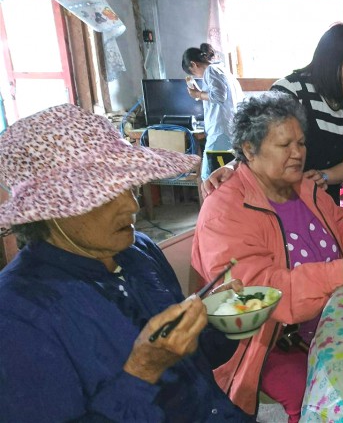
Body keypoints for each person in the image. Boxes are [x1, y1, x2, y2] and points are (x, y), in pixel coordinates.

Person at [0, 104, 249, 421]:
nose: (131, 205)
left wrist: (220, 321)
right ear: (49, 212)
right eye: (104, 195)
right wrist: (142, 370)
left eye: (129, 185)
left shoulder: (138, 250)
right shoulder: (16, 314)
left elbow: (194, 364)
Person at [191, 91, 343, 419]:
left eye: (301, 143)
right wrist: (339, 273)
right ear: (249, 150)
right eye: (284, 145)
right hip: (268, 343)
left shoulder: (304, 188)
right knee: (324, 395)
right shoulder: (225, 209)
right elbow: (255, 295)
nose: (297, 154)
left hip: (330, 321)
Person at [204, 24, 343, 205]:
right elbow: (259, 146)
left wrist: (324, 176)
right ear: (328, 60)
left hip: (324, 201)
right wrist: (232, 166)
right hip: (279, 198)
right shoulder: (291, 91)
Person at [183, 42, 243, 180]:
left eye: (192, 72)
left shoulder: (211, 71)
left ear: (193, 64)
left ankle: (211, 202)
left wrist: (197, 95)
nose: (196, 74)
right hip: (229, 128)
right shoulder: (222, 69)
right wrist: (200, 93)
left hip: (220, 130)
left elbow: (218, 96)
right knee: (226, 174)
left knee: (208, 177)